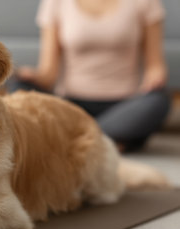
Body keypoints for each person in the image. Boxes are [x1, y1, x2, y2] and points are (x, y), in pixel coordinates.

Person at [11, 0, 171, 152]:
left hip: (123, 108)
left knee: (158, 101)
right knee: (19, 88)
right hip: (70, 108)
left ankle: (72, 140)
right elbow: (48, 74)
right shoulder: (56, 2)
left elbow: (155, 66)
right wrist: (30, 76)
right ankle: (108, 140)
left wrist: (155, 78)